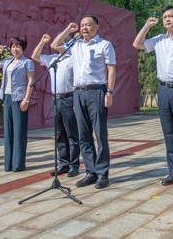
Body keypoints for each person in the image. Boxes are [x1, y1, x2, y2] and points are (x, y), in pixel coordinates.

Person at [133, 6, 173, 187]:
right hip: (163, 89)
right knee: (169, 133)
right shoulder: (159, 40)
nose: (168, 19)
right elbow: (137, 44)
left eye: (171, 16)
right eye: (165, 17)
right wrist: (146, 26)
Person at [52, 16, 116, 189]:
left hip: (97, 91)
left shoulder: (104, 45)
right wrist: (68, 30)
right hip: (78, 93)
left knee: (100, 134)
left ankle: (103, 173)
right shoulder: (75, 45)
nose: (84, 28)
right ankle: (91, 171)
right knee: (83, 135)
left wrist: (109, 91)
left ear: (97, 27)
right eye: (82, 25)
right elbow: (54, 45)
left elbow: (111, 69)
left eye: (88, 25)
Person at [30, 34, 80, 178]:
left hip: (69, 98)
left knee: (72, 134)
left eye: (65, 43)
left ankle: (74, 165)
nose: (61, 46)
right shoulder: (53, 59)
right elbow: (35, 56)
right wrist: (42, 41)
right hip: (56, 99)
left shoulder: (73, 59)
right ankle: (63, 163)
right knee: (59, 134)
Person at [0, 36, 35, 172]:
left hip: (19, 97)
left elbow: (31, 82)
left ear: (22, 48)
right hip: (7, 97)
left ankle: (18, 164)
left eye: (18, 46)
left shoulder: (27, 62)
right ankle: (8, 164)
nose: (15, 49)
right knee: (8, 131)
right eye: (13, 46)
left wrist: (26, 99)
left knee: (19, 131)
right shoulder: (7, 61)